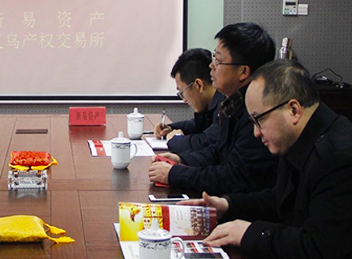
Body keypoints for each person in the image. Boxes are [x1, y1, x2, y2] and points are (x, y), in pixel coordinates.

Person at [184, 60, 352, 259]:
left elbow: (318, 248)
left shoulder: (338, 158)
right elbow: (280, 199)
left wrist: (249, 233)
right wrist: (227, 205)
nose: (256, 133)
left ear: (293, 110)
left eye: (259, 120)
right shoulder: (299, 139)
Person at [149, 22, 277, 194]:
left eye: (218, 60)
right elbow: (218, 151)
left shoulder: (255, 112)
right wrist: (182, 159)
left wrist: (175, 174)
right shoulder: (233, 103)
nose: (211, 65)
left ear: (243, 72)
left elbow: (232, 178)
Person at [154, 48, 225, 153]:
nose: (184, 99)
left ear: (198, 85)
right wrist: (171, 127)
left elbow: (204, 142)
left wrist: (174, 140)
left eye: (182, 92)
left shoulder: (225, 107)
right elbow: (197, 126)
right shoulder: (213, 103)